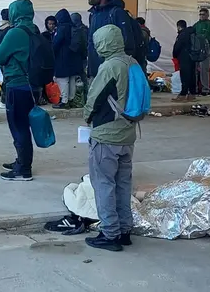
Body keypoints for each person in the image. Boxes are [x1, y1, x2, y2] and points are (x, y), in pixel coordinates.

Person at [82, 25, 137, 252]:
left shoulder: (109, 67)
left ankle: (110, 233)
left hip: (107, 135)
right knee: (123, 184)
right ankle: (125, 230)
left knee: (104, 184)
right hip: (128, 133)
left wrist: (86, 117)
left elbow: (94, 99)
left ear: (103, 44)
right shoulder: (132, 63)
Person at [0, 0, 40, 181]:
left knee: (18, 126)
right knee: (24, 126)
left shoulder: (15, 33)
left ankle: (23, 169)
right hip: (33, 86)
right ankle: (22, 161)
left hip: (17, 85)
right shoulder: (34, 30)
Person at [87, 0, 137, 79]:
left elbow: (127, 43)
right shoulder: (93, 14)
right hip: (95, 71)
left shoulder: (117, 13)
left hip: (112, 73)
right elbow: (91, 43)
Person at [52, 9, 82, 109]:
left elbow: (56, 43)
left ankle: (64, 101)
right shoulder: (73, 27)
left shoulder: (62, 27)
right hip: (73, 57)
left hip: (62, 58)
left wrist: (52, 52)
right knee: (72, 79)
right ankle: (71, 100)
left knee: (62, 79)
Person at [193, 8, 210, 96]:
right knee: (195, 70)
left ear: (207, 15)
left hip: (206, 50)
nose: (201, 16)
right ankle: (195, 88)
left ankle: (205, 89)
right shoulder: (196, 25)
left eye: (203, 14)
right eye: (200, 14)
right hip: (197, 50)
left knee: (204, 70)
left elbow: (208, 36)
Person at [173, 20, 197, 102]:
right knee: (192, 75)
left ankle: (183, 94)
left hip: (184, 57)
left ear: (179, 26)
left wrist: (175, 55)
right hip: (193, 57)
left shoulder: (182, 34)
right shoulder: (192, 33)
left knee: (185, 76)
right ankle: (192, 94)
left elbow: (177, 47)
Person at [71, 12, 90, 100]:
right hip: (84, 56)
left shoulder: (79, 30)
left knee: (81, 77)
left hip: (80, 57)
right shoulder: (85, 29)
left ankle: (83, 97)